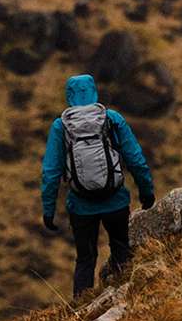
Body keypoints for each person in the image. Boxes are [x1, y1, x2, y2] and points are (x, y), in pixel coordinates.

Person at [40, 72, 155, 297]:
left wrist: (48, 209)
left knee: (85, 259)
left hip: (81, 207)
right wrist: (146, 191)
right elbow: (135, 159)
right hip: (116, 202)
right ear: (94, 91)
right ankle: (129, 301)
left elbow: (51, 173)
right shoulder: (111, 118)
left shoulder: (60, 126)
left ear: (69, 96)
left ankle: (78, 312)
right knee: (121, 251)